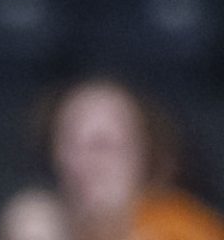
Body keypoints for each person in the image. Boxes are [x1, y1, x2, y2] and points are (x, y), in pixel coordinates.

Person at [45, 79, 224, 240]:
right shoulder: (44, 225)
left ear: (143, 153)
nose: (82, 162)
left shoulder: (186, 230)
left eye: (101, 146)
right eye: (70, 145)